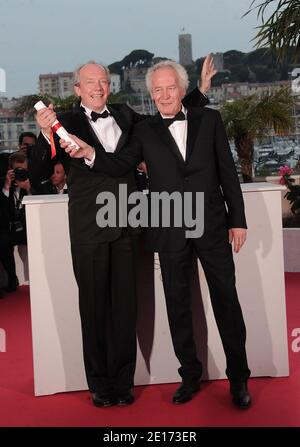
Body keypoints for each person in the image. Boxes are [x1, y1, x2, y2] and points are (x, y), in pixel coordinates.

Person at [63, 60, 252, 409]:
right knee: (178, 308)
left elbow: (228, 171)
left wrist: (237, 220)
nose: (164, 95)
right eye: (157, 90)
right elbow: (119, 163)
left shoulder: (209, 119)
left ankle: (239, 379)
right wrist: (90, 153)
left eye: (170, 88)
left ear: (181, 90)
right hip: (167, 226)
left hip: (211, 224)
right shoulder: (145, 130)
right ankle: (189, 377)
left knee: (227, 301)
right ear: (151, 95)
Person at [30, 57, 216, 408]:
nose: (98, 87)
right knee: (94, 308)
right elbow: (39, 170)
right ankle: (100, 385)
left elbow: (165, 115)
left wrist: (200, 91)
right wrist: (43, 132)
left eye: (103, 81)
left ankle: (124, 382)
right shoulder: (63, 122)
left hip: (129, 225)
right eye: (90, 82)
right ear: (77, 89)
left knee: (126, 307)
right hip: (89, 229)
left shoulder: (127, 115)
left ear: (109, 85)